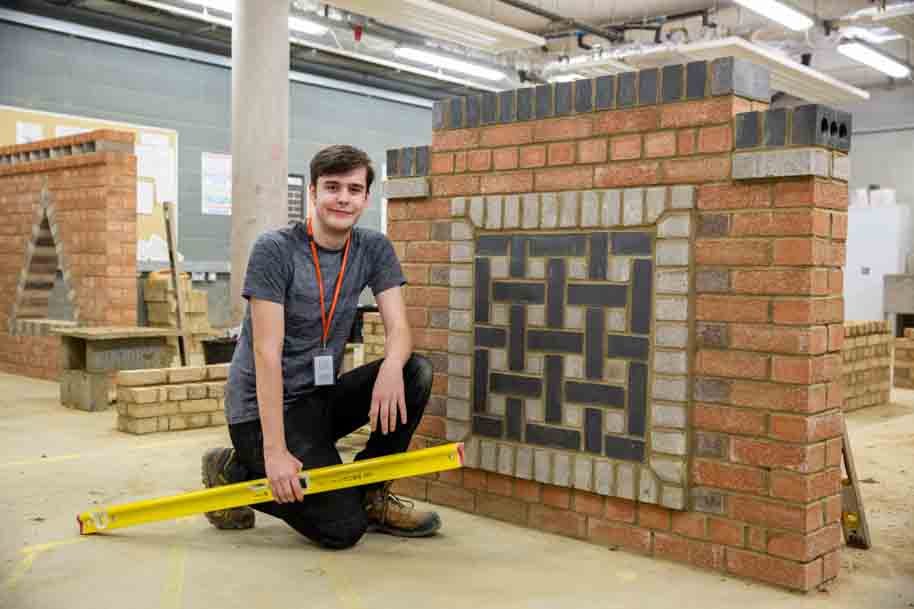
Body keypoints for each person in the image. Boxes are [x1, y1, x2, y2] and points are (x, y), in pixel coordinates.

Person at [201, 144, 440, 549]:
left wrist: (389, 368)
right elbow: (266, 353)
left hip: (317, 400)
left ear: (366, 198)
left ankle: (372, 493)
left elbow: (400, 329)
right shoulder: (274, 250)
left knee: (414, 372)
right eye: (332, 187)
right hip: (260, 415)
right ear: (312, 192)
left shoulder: (373, 248)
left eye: (353, 188)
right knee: (342, 529)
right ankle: (234, 469)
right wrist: (275, 452)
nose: (343, 198)